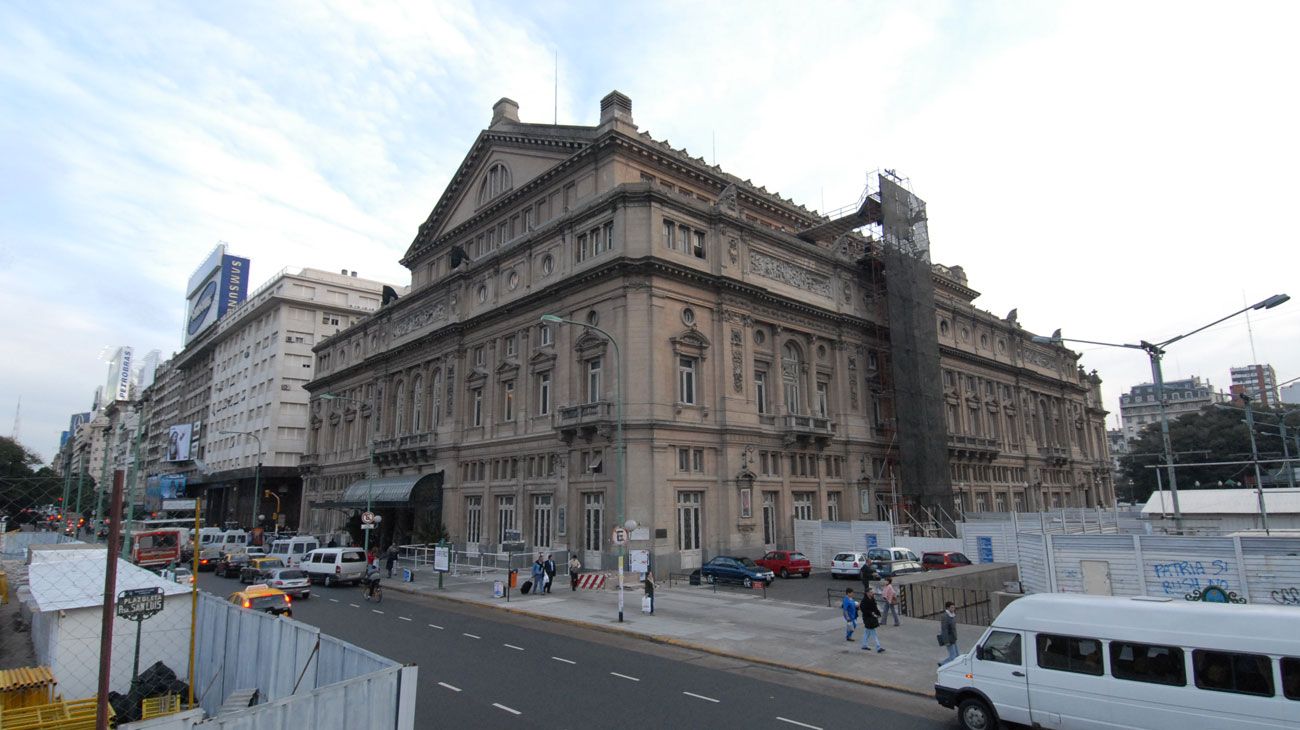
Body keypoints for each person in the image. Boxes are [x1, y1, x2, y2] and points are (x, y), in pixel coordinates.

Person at [860, 588, 884, 653]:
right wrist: (871, 613)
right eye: (871, 592)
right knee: (873, 633)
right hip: (867, 618)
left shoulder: (872, 599)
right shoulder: (864, 601)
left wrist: (878, 613)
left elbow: (875, 607)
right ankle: (878, 647)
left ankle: (864, 645)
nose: (872, 593)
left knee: (867, 632)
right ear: (867, 593)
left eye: (872, 592)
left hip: (872, 618)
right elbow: (863, 610)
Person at [939, 601, 960, 665]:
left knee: (957, 655)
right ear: (948, 608)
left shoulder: (952, 615)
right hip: (949, 639)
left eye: (954, 607)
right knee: (953, 656)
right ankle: (942, 664)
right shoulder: (945, 616)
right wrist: (946, 641)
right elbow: (944, 629)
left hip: (953, 638)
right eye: (952, 607)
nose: (953, 609)